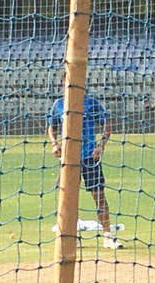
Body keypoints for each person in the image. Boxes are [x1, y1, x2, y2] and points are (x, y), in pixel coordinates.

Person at [47, 90, 123, 250]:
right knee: (66, 198)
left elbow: (106, 125)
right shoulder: (59, 104)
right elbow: (51, 127)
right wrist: (54, 144)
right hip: (68, 158)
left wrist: (101, 145)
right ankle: (70, 235)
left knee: (99, 196)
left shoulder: (91, 103)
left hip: (89, 156)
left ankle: (108, 236)